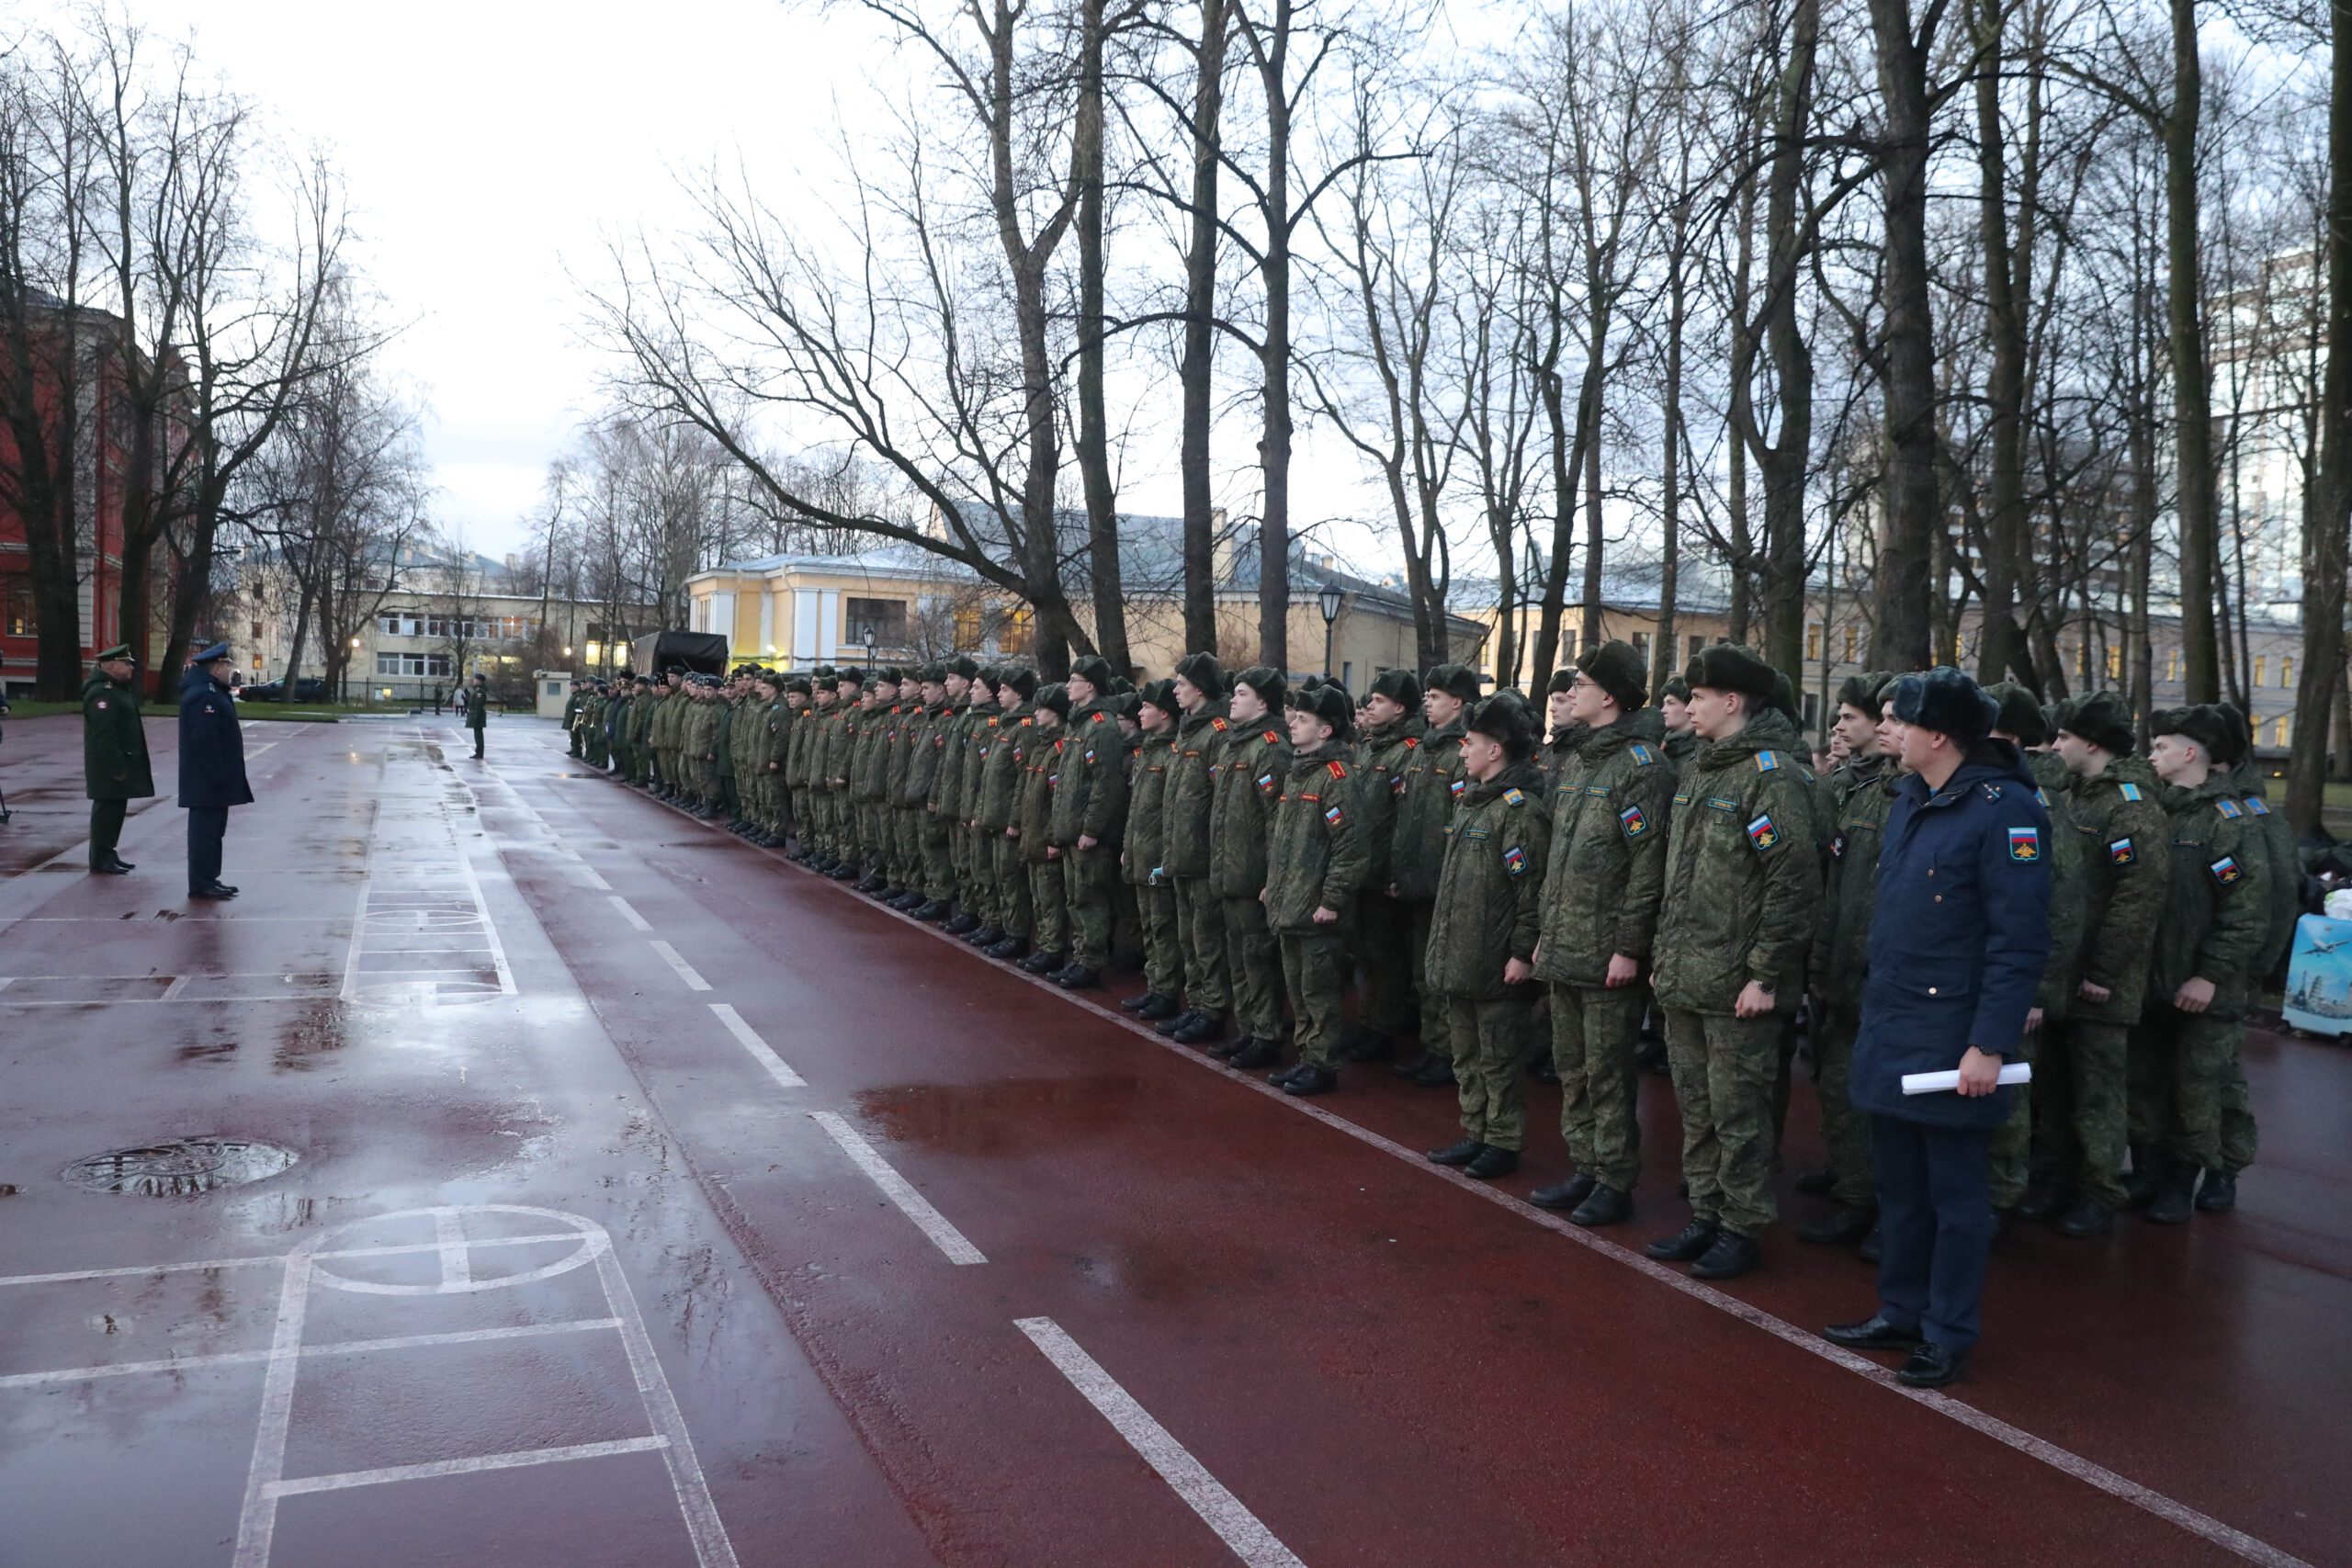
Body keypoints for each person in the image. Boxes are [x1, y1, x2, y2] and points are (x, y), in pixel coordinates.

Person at [1826, 668, 2050, 1390]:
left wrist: (1990, 1043)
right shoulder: (1912, 798)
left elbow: (2018, 942)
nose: (1890, 727)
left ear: (1940, 735)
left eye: (1904, 719)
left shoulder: (2004, 810)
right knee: (1901, 1188)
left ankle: (1947, 1331)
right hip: (1895, 1022)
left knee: (1956, 1200)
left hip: (1954, 1036)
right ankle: (1902, 1307)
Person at [1645, 643, 1821, 1280]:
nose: (1687, 706)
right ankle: (1707, 1210)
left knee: (1739, 1110)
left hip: (1739, 984)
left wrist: (1765, 973)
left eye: (1696, 696)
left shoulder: (1771, 776)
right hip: (1690, 972)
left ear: (1732, 701)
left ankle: (1742, 1225)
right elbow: (1679, 875)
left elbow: (1792, 883)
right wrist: (1665, 955)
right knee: (1696, 1104)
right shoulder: (1703, 769)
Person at [1528, 641, 1677, 1226]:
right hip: (1565, 940)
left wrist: (1628, 947)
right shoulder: (1581, 760)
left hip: (1606, 950)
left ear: (1609, 695)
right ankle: (1586, 1166)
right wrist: (1544, 931)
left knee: (1607, 1070)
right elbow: (1560, 858)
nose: (1572, 693)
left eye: (1583, 685)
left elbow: (1647, 865)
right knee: (1572, 1064)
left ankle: (1614, 1179)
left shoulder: (1642, 766)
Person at [2041, 691, 2169, 1236]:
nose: (2054, 746)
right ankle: (2056, 1179)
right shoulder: (2070, 796)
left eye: (2064, 737)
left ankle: (2098, 1190)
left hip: (2099, 981)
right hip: (2062, 973)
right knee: (2053, 1086)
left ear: (2092, 743)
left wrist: (2103, 971)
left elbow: (2137, 898)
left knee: (2098, 1091)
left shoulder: (2131, 806)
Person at [2135, 705, 2268, 1224]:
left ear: (2189, 753)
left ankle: (2180, 1181)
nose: (2153, 755)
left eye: (2162, 747)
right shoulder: (2154, 812)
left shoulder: (2225, 823)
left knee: (2196, 1088)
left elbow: (2246, 908)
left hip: (2202, 988)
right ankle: (2148, 1171)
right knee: (2146, 1082)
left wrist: (2210, 974)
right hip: (2151, 982)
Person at [1422, 693, 1552, 1179]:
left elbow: (1531, 891)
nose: (1461, 751)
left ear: (1495, 750)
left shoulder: (1518, 811)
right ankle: (1475, 1131)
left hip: (1497, 963)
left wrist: (1522, 953)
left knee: (1499, 1060)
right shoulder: (1474, 802)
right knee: (1468, 1056)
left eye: (1469, 743)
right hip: (1463, 957)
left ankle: (1502, 1140)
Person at [1797, 671, 1899, 1247]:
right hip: (1838, 965)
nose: (1839, 726)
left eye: (1851, 718)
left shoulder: (1898, 794)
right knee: (1837, 1085)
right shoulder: (1846, 788)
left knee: (1877, 1095)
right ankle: (1854, 1184)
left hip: (1881, 975)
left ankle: (1875, 1201)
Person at [1262, 680, 1367, 1096]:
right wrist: (1273, 885)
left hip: (1317, 911)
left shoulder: (1335, 778)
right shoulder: (1297, 774)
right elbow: (1284, 841)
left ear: (1326, 731)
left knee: (1319, 991)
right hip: (1291, 904)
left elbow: (1351, 849)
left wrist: (1332, 900)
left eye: (1303, 719)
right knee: (1299, 990)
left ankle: (1321, 1063)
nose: (1293, 724)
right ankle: (1306, 1057)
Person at [1389, 663, 1482, 1087]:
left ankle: (1447, 1053)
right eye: (1425, 694)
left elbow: (1462, 823)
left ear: (1458, 703)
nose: (1426, 700)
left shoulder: (1462, 752)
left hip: (1443, 881)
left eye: (1436, 695)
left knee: (1442, 975)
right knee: (1421, 973)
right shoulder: (1422, 749)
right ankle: (1433, 1046)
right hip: (1416, 881)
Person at [1207, 666, 1290, 1069]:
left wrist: (1271, 877)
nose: (1232, 699)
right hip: (1230, 871)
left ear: (1262, 702)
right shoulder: (1232, 744)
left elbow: (1276, 819)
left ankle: (1266, 1033)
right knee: (1238, 958)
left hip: (1252, 874)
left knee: (1258, 959)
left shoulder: (1269, 747)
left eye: (1241, 693)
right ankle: (1247, 1029)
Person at [178, 643, 252, 901]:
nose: (229, 670)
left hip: (211, 777)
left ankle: (209, 878)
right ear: (217, 667)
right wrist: (216, 773)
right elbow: (205, 740)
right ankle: (201, 882)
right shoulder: (204, 695)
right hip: (206, 779)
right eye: (226, 666)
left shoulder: (210, 691)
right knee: (205, 832)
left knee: (213, 831)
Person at [82, 644, 153, 875]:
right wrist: (115, 766)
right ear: (110, 666)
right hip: (108, 767)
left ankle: (108, 852)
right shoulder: (103, 693)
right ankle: (100, 857)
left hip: (120, 763)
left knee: (115, 809)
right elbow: (104, 734)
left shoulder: (118, 689)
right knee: (106, 810)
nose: (131, 666)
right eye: (126, 663)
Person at [465, 672, 489, 759]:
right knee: (477, 734)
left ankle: (479, 753)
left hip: (478, 716)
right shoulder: (477, 690)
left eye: (475, 679)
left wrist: (476, 718)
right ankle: (478, 752)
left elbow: (478, 706)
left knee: (478, 735)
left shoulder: (480, 692)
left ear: (479, 681)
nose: (473, 681)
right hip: (476, 715)